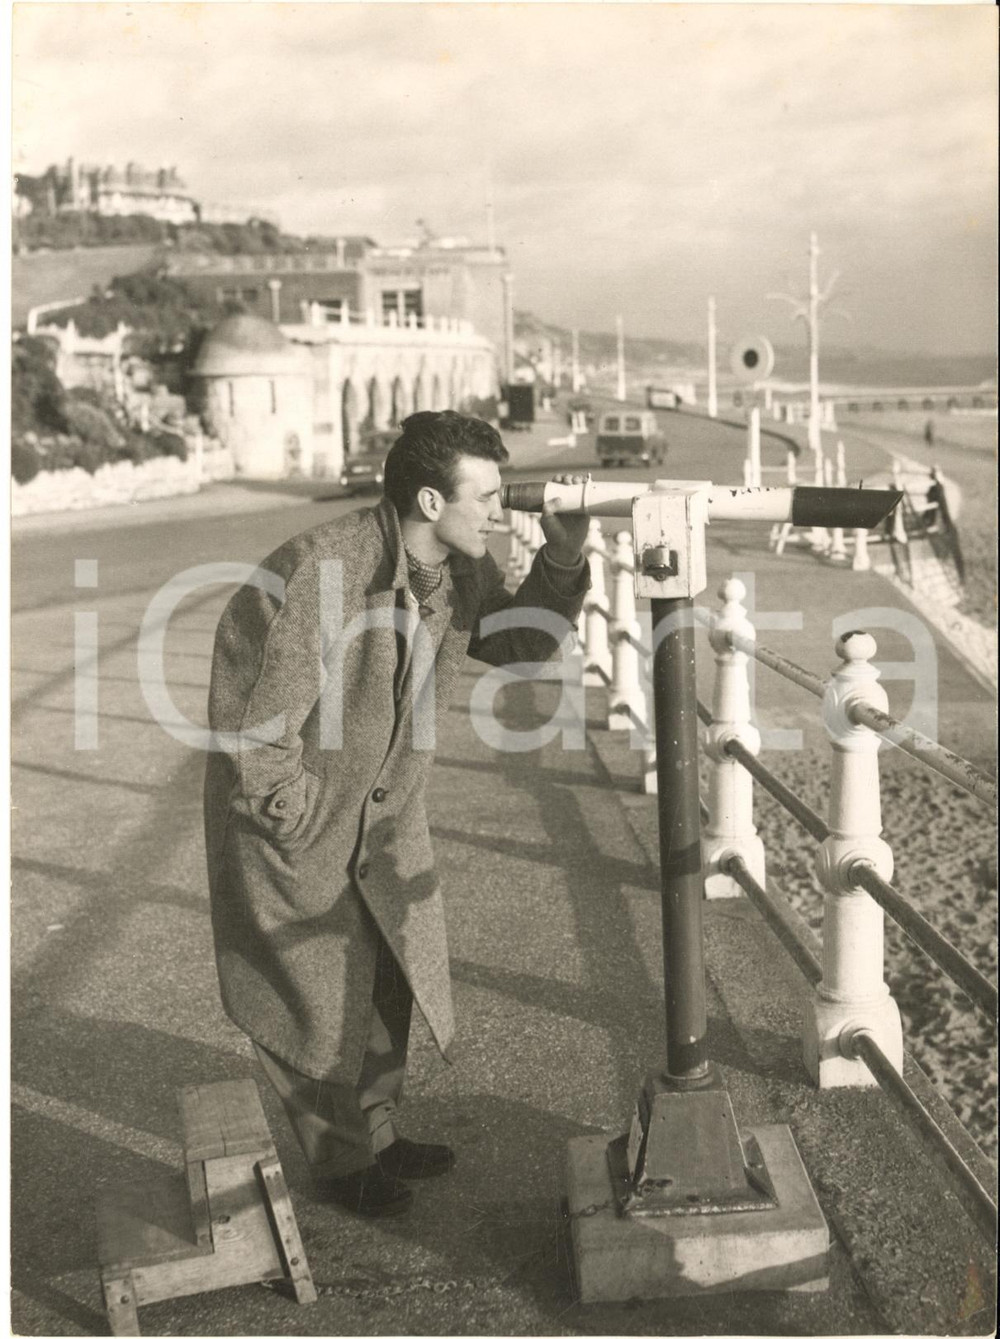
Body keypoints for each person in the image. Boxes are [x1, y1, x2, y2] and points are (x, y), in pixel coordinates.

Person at [203, 410, 590, 1217]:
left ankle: (375, 1132)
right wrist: (297, 815)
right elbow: (255, 727)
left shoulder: (456, 567)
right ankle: (343, 1164)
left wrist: (562, 553)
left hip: (381, 814)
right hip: (300, 822)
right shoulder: (323, 570)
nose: (497, 510)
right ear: (428, 498)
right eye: (484, 496)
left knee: (386, 975)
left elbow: (519, 644)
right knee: (311, 993)